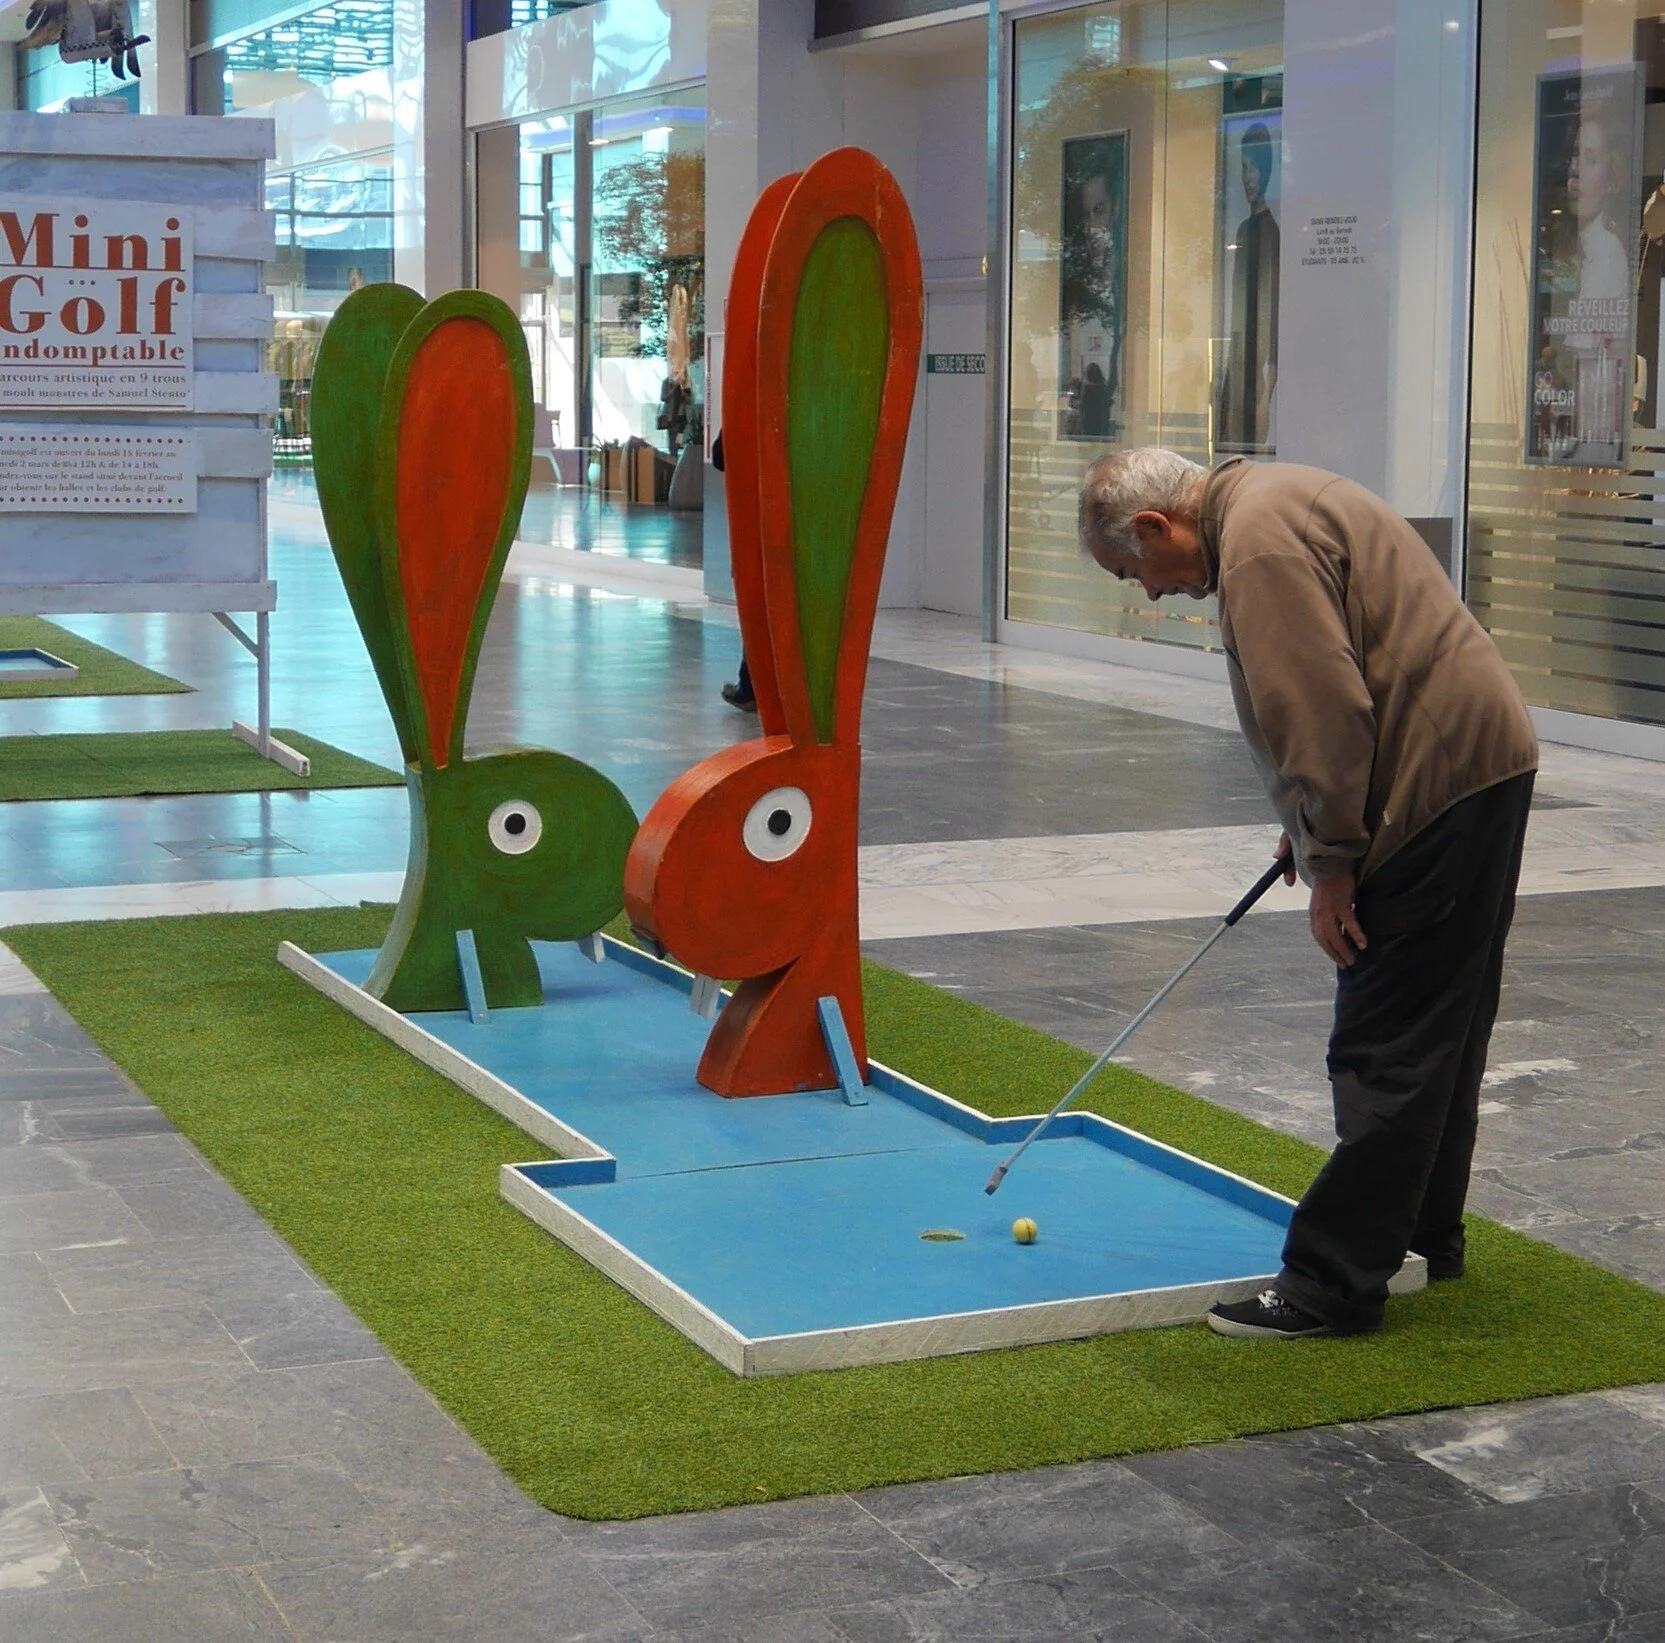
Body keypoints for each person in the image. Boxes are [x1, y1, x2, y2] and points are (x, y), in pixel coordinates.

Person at [1077, 449, 1539, 1339]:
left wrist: (1331, 858)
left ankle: (1331, 1281)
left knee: (1387, 1029)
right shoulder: (1268, 499)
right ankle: (1418, 1236)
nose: (1148, 592)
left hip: (1433, 781)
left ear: (1151, 527)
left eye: (1132, 572)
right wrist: (1306, 824)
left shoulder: (1253, 544)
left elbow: (1320, 709)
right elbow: (1343, 686)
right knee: (1445, 1014)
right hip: (1475, 762)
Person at [1218, 123, 1279, 453]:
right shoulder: (1243, 231)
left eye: (1253, 167)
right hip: (1238, 368)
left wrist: (1265, 397)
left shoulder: (1270, 234)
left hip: (1255, 377)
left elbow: (1275, 320)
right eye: (1243, 168)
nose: (1248, 178)